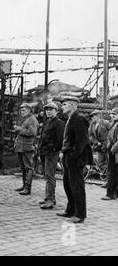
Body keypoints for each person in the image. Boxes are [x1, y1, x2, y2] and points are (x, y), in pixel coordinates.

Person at [57, 96, 93, 224]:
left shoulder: (79, 119)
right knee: (68, 185)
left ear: (73, 105)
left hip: (75, 159)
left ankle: (80, 214)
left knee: (77, 186)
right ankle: (70, 210)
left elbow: (81, 142)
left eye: (65, 105)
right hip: (69, 157)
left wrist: (72, 156)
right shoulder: (70, 119)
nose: (62, 107)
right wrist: (64, 153)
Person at [38, 102, 64, 209]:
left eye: (51, 110)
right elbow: (42, 137)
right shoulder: (47, 122)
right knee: (47, 176)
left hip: (51, 153)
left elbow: (60, 140)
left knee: (50, 176)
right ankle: (49, 198)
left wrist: (53, 149)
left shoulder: (59, 123)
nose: (48, 111)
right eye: (47, 110)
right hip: (44, 152)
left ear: (56, 111)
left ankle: (49, 200)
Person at [13, 103, 39, 195]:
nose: (21, 112)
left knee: (29, 168)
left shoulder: (32, 120)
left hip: (27, 147)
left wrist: (19, 129)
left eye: (23, 110)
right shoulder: (25, 119)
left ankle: (28, 188)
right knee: (23, 168)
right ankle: (24, 186)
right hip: (21, 147)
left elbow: (32, 132)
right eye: (21, 110)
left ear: (29, 110)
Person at [88, 110, 111, 188]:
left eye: (93, 117)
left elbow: (113, 132)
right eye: (91, 117)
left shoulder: (105, 123)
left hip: (108, 146)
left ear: (98, 116)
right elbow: (90, 135)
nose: (92, 118)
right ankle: (109, 179)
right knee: (100, 163)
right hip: (99, 147)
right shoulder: (92, 125)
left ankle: (110, 182)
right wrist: (96, 142)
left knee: (110, 163)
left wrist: (108, 143)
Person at [101, 108, 118, 200]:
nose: (112, 115)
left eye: (115, 114)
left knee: (112, 173)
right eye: (112, 113)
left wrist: (112, 148)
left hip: (114, 153)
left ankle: (110, 194)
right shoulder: (114, 124)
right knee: (114, 173)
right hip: (113, 152)